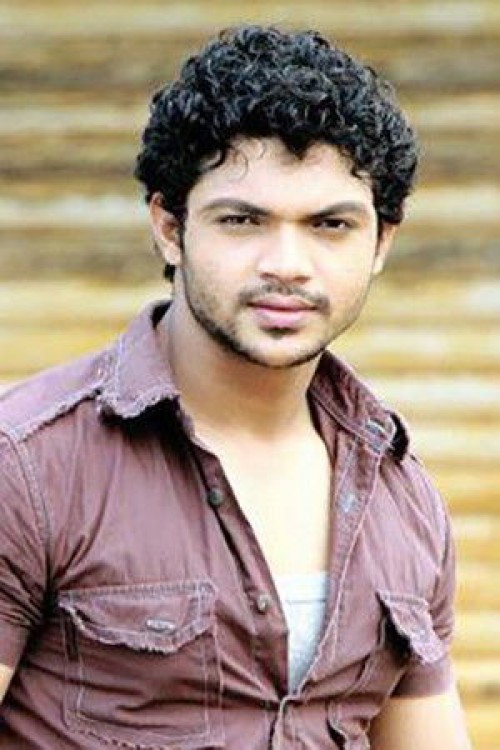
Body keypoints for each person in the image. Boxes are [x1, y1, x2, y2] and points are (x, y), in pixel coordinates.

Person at [0, 25, 472, 750]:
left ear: (380, 243)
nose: (287, 263)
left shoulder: (400, 496)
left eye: (330, 225)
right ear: (169, 227)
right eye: (243, 220)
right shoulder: (28, 466)